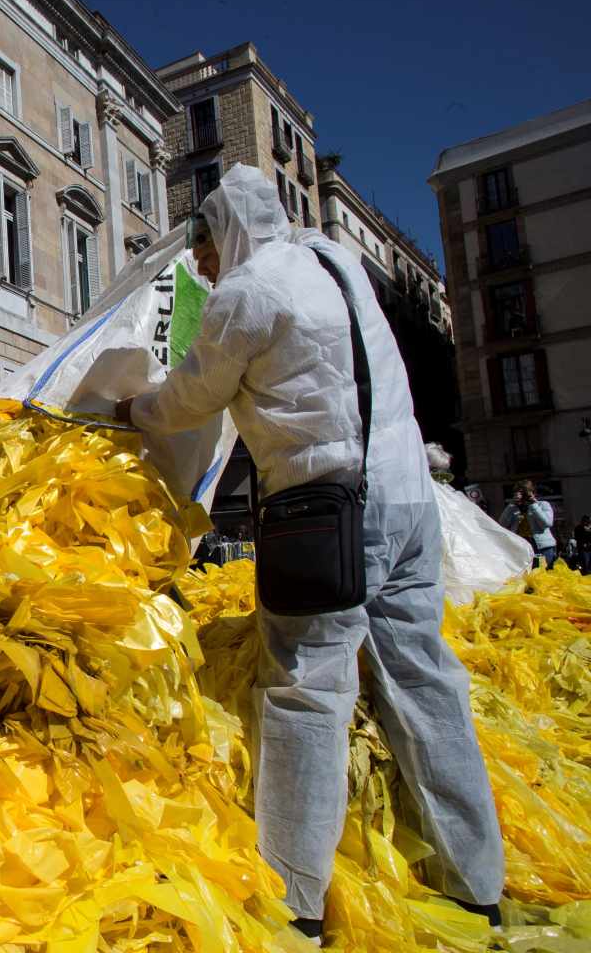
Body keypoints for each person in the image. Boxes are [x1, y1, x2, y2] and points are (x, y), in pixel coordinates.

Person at [111, 165, 503, 941]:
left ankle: (296, 902)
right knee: (424, 682)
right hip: (407, 502)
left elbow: (191, 397)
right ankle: (476, 884)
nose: (203, 268)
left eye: (205, 251)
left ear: (224, 232)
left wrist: (130, 408)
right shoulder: (341, 263)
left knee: (305, 692)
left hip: (326, 509)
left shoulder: (251, 290)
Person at [499, 480, 556, 568]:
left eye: (525, 493)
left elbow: (547, 523)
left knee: (544, 575)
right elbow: (501, 524)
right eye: (520, 493)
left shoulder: (543, 505)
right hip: (522, 547)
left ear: (533, 493)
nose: (523, 496)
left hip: (541, 547)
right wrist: (511, 504)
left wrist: (533, 504)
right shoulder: (513, 508)